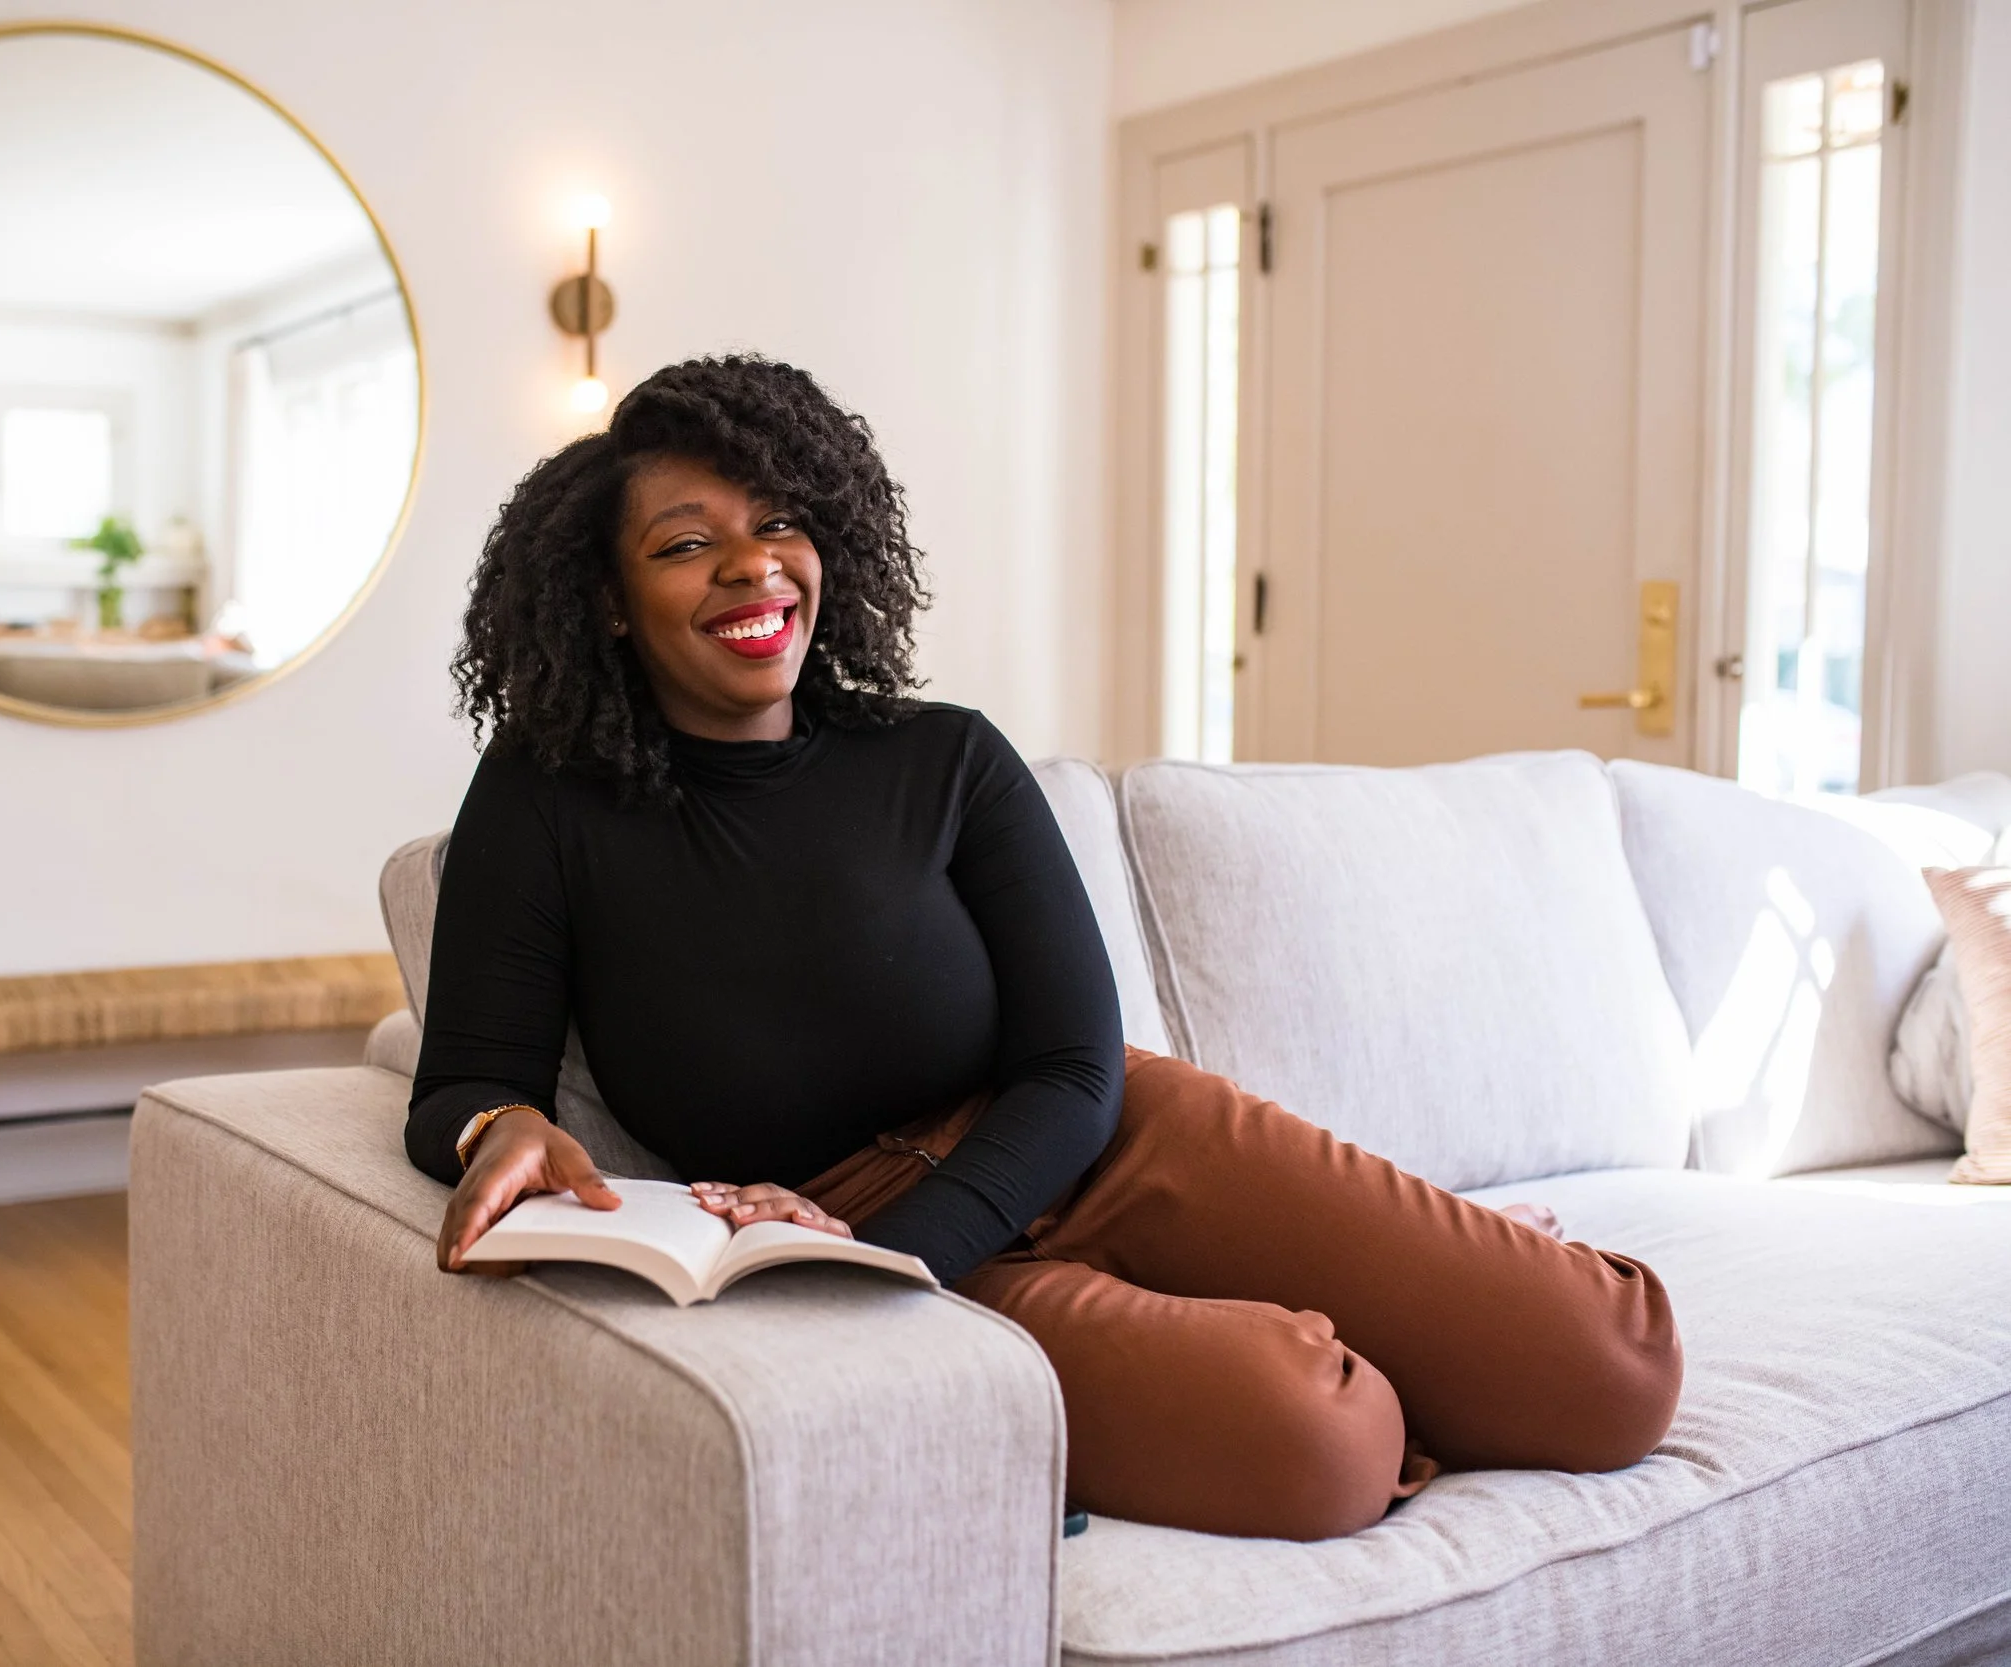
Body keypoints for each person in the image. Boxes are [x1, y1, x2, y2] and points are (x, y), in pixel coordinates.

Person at [405, 355, 1681, 1540]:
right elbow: (463, 1080)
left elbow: (1076, 1059)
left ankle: (1469, 1286)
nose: (753, 566)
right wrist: (494, 1127)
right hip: (864, 1246)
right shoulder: (543, 800)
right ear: (611, 604)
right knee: (1327, 1442)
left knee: (1615, 1370)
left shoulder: (942, 754)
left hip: (1102, 1146)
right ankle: (1399, 1345)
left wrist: (913, 1239)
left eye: (780, 523)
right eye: (687, 545)